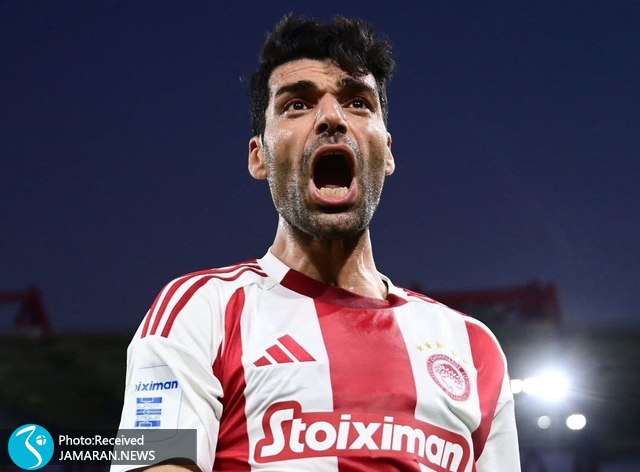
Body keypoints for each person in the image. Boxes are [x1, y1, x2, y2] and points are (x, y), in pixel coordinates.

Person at [111, 13, 520, 472]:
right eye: (297, 105)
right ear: (259, 156)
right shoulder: (198, 311)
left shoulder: (473, 348)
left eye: (358, 102)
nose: (331, 118)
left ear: (387, 152)